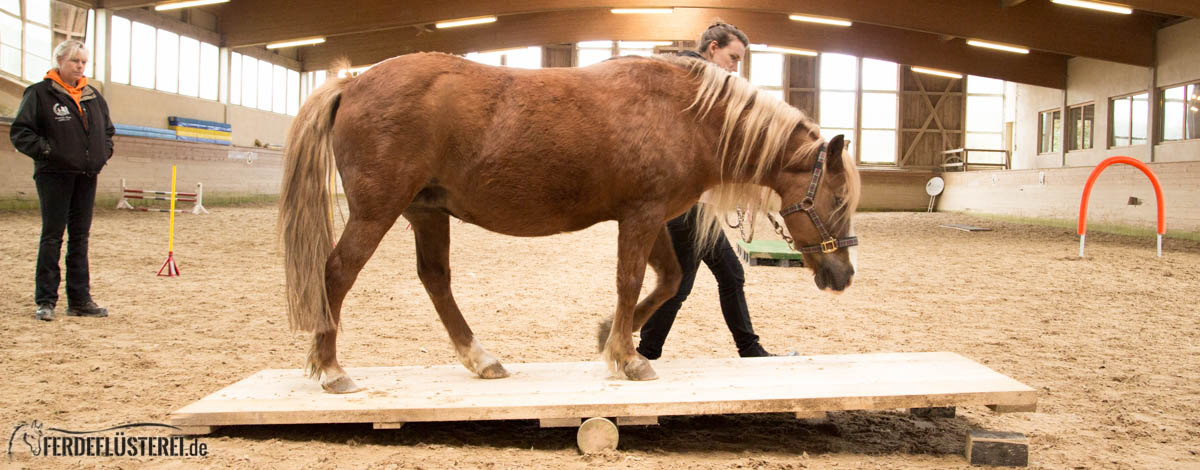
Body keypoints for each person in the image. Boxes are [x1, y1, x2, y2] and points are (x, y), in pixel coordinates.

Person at [637, 22, 793, 359]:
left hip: (699, 206)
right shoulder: (693, 85)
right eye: (733, 58)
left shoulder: (709, 89)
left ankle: (748, 349)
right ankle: (646, 351)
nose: (735, 67)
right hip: (686, 205)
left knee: (730, 274)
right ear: (712, 49)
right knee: (679, 285)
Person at [11, 39, 114, 321]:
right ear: (60, 62)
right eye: (74, 61)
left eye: (83, 62)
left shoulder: (93, 97)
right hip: (54, 175)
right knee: (53, 236)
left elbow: (107, 131)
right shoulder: (39, 94)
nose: (80, 66)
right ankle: (46, 300)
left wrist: (103, 154)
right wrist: (48, 152)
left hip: (86, 175)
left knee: (79, 238)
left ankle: (80, 299)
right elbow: (21, 132)